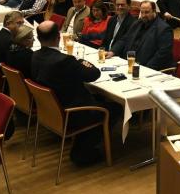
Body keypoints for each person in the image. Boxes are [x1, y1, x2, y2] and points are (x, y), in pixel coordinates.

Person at [31, 21, 117, 166]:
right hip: (72, 113)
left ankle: (83, 142)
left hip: (51, 109)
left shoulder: (35, 56)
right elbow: (94, 74)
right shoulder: (65, 60)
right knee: (115, 108)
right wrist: (81, 61)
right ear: (58, 37)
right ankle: (84, 151)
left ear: (38, 39)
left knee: (100, 97)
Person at [112, 1, 174, 71]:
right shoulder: (137, 23)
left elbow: (163, 54)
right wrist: (113, 51)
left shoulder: (164, 29)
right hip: (128, 63)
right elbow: (125, 39)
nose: (144, 15)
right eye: (142, 12)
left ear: (154, 11)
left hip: (146, 67)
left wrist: (146, 69)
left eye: (147, 12)